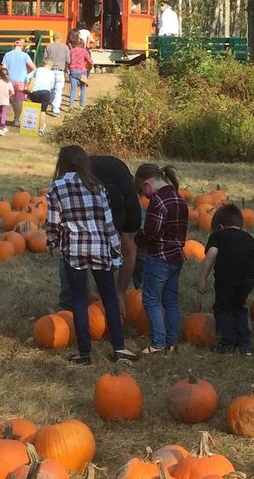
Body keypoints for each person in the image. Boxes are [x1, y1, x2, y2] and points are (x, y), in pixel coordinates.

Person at [45, 145, 138, 365]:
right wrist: (115, 250)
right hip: (99, 248)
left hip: (74, 249)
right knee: (109, 299)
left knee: (79, 300)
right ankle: (119, 347)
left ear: (63, 163)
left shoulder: (57, 186)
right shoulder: (97, 186)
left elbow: (53, 221)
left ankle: (84, 353)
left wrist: (52, 240)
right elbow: (108, 222)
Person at [59, 155, 142, 313]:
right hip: (83, 182)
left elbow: (130, 256)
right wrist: (88, 293)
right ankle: (68, 304)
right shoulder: (79, 205)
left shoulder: (132, 212)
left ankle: (143, 296)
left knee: (140, 251)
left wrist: (119, 293)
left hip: (116, 179)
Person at [195, 204, 254, 355]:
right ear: (241, 227)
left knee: (223, 309)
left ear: (220, 227)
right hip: (246, 280)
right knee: (239, 308)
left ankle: (227, 344)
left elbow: (212, 254)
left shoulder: (219, 236)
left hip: (227, 277)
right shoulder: (250, 240)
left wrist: (202, 278)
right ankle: (245, 345)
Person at [134, 163, 188, 354]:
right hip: (176, 257)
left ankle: (158, 343)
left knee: (151, 299)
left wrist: (137, 237)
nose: (145, 196)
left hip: (159, 258)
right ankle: (171, 342)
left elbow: (152, 233)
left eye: (144, 191)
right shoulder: (180, 200)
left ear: (147, 183)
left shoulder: (159, 201)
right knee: (170, 300)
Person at [0, 39, 35, 126]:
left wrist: (5, 78)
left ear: (13, 46)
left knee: (12, 100)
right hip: (21, 81)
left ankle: (4, 118)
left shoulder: (7, 55)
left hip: (10, 81)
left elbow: (4, 69)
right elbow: (34, 68)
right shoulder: (25, 55)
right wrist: (28, 75)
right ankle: (16, 119)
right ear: (22, 47)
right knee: (19, 100)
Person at [27, 60, 56, 137]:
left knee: (35, 109)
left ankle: (31, 126)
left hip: (35, 92)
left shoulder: (38, 69)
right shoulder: (52, 73)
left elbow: (27, 77)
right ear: (51, 66)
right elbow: (52, 86)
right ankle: (41, 130)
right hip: (45, 92)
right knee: (43, 111)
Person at [45, 33, 70, 116]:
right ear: (61, 38)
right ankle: (55, 109)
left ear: (53, 38)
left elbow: (44, 59)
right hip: (60, 70)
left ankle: (51, 104)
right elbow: (68, 60)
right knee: (58, 91)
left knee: (50, 89)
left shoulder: (48, 46)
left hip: (50, 70)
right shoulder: (65, 47)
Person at [68, 32, 93, 110]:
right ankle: (81, 105)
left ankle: (71, 105)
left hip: (73, 71)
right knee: (83, 88)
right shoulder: (84, 51)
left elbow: (68, 61)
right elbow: (90, 61)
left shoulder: (71, 51)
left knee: (73, 89)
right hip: (82, 72)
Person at [0, 67, 14, 136]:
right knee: (3, 115)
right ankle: (1, 128)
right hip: (5, 101)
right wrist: (9, 96)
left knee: (2, 114)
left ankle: (4, 126)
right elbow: (13, 92)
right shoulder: (8, 83)